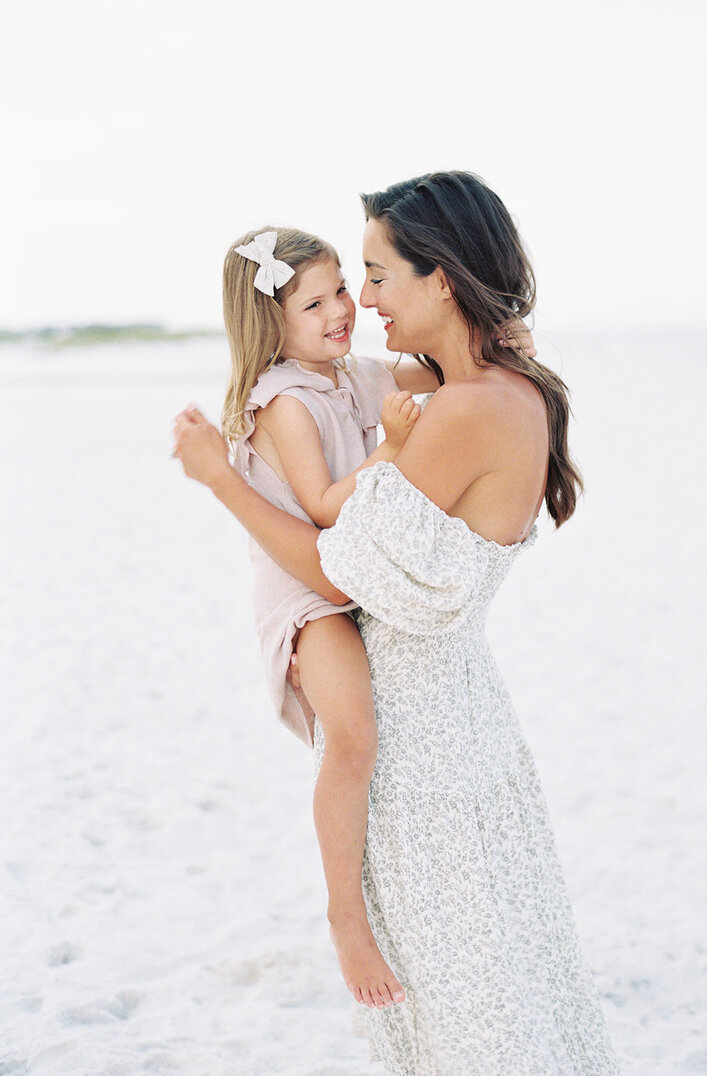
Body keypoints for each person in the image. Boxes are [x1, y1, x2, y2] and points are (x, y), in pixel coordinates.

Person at [173, 172, 620, 1074]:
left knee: (469, 1014)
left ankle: (342, 920)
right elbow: (332, 538)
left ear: (440, 280)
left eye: (372, 276)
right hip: (460, 720)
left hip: (430, 752)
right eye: (338, 289)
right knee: (496, 990)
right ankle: (346, 918)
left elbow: (340, 563)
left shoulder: (458, 409)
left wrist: (220, 482)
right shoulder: (487, 389)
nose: (359, 301)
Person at [214, 224, 441, 1011]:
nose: (341, 309)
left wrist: (479, 337)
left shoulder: (351, 374)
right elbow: (318, 508)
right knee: (353, 736)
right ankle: (346, 916)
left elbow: (428, 372)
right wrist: (392, 449)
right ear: (272, 324)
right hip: (306, 594)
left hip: (353, 579)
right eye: (315, 302)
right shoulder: (282, 401)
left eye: (343, 288)